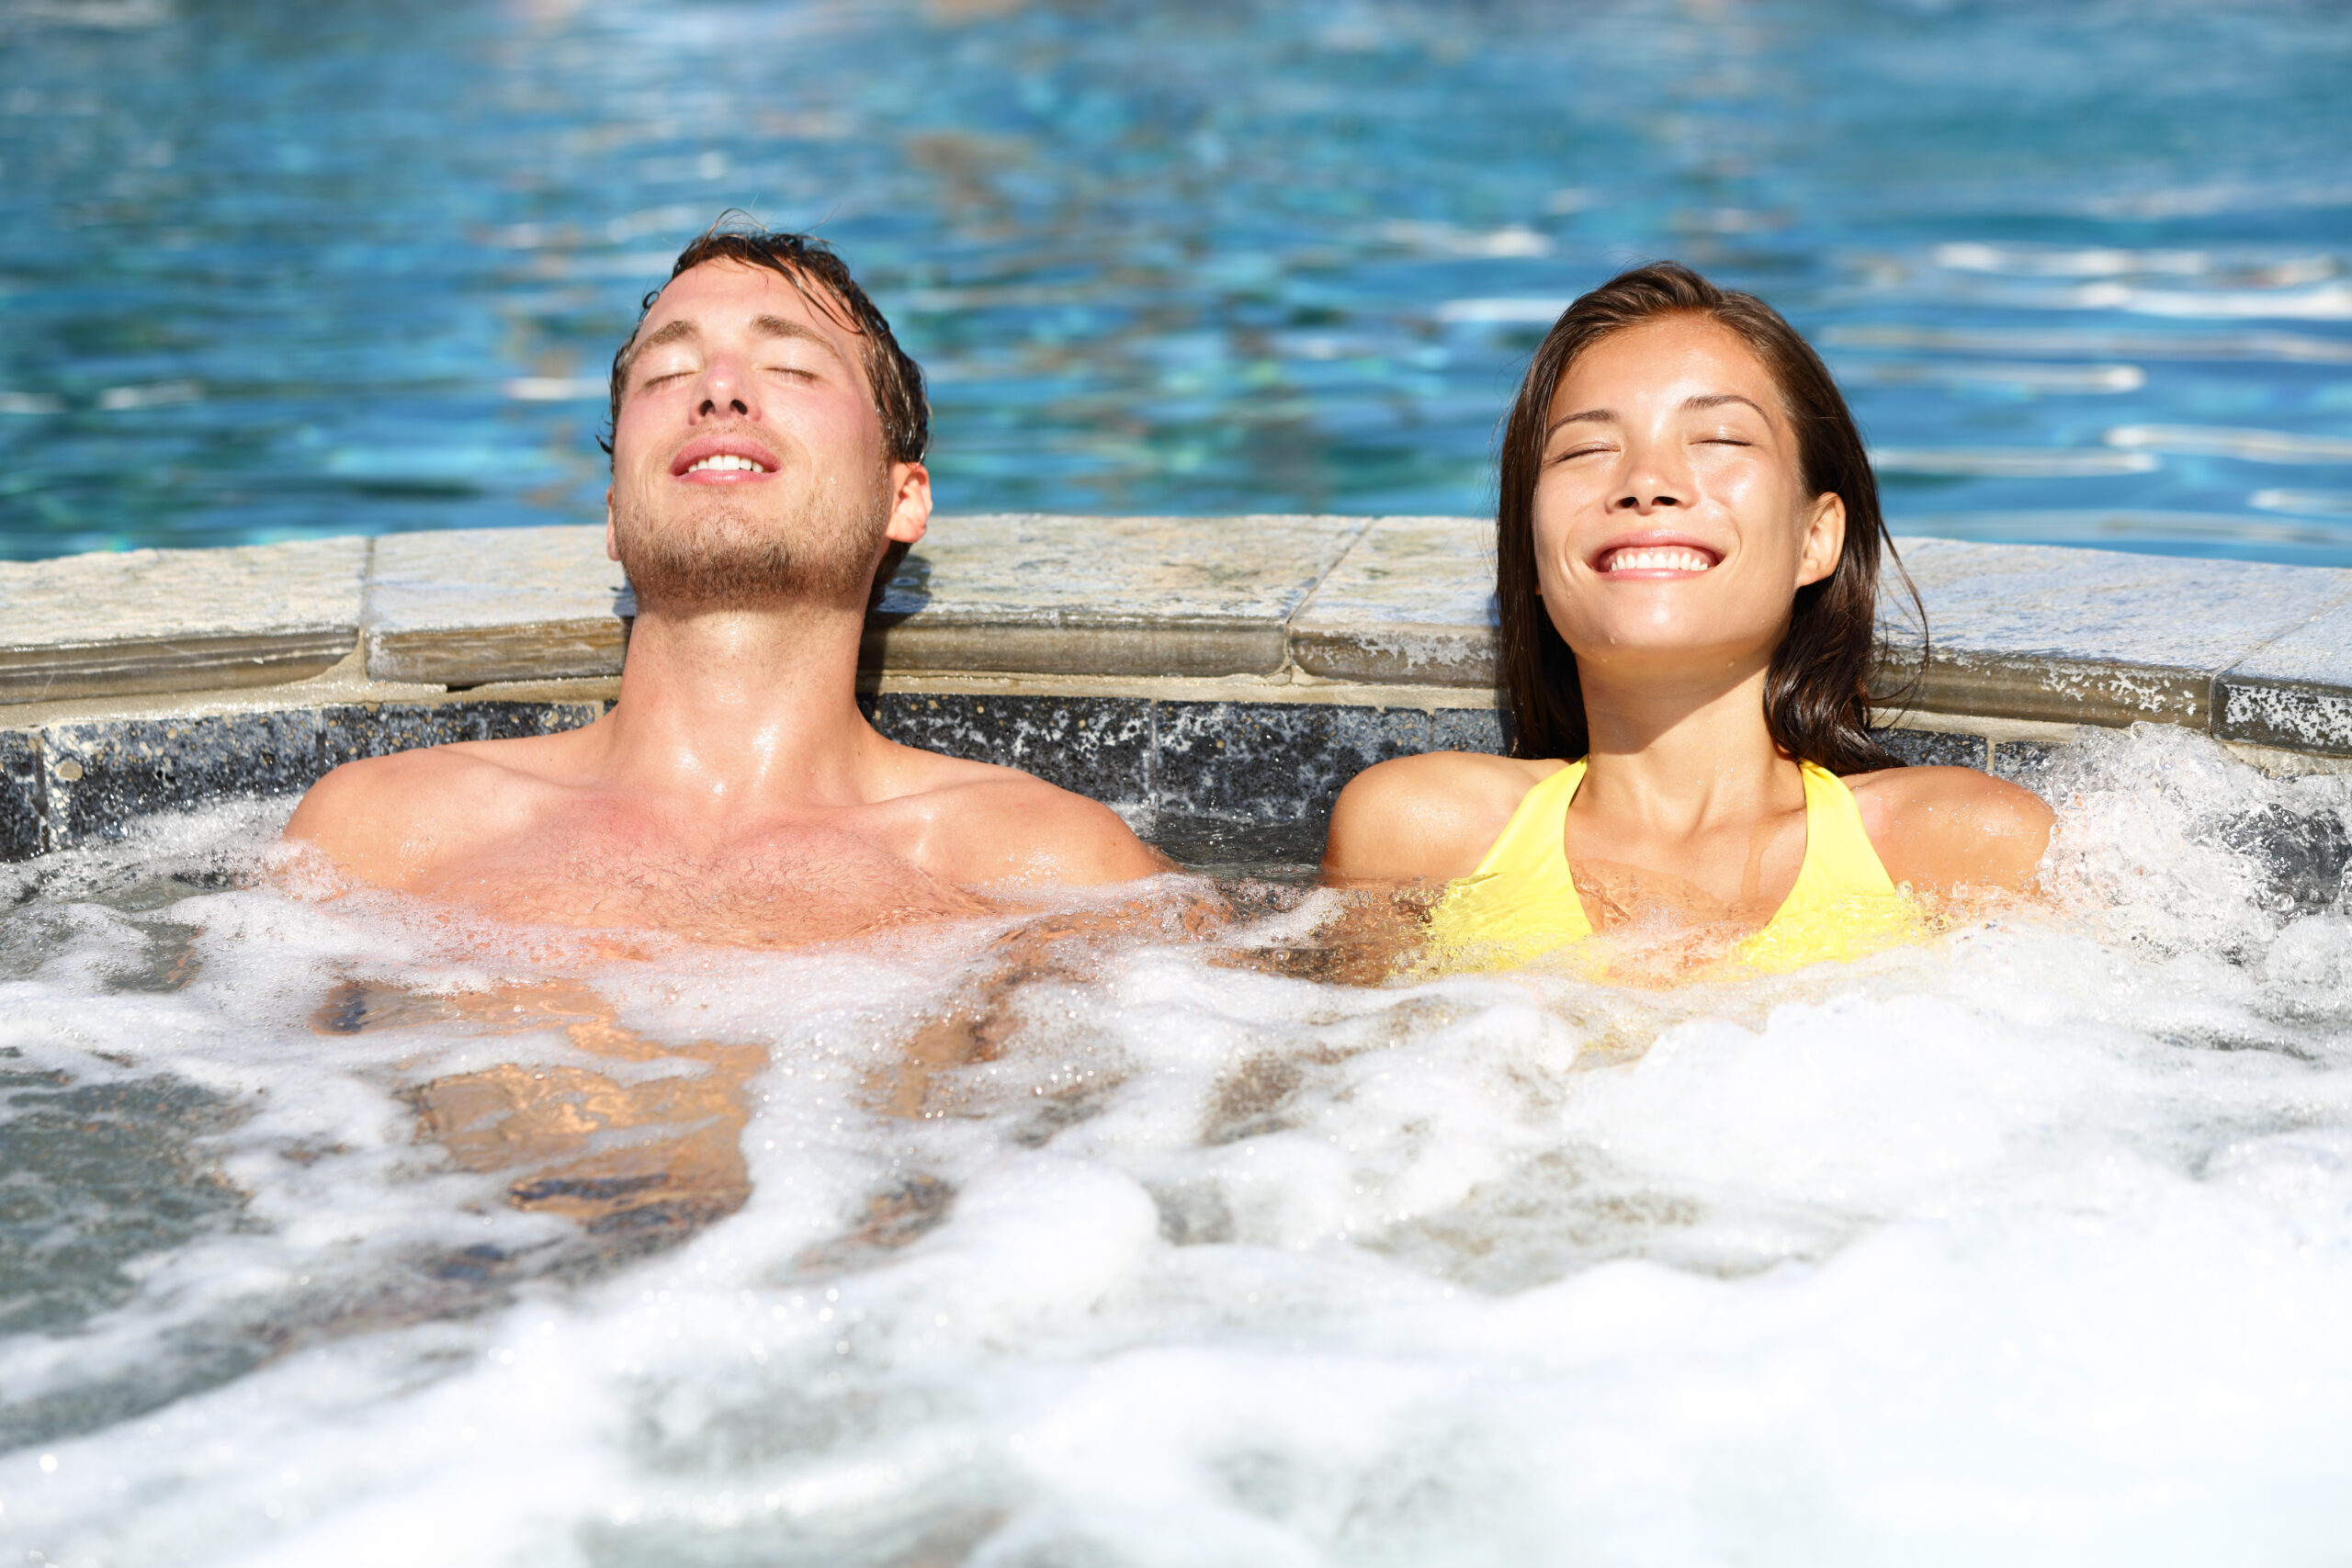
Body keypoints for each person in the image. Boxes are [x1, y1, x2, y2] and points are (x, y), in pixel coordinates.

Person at [287, 224, 1166, 944]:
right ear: (613, 513)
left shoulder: (1050, 866)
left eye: (790, 366)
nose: (718, 391)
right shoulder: (377, 835)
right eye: (669, 372)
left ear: (902, 497)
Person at [1321, 263, 2052, 978]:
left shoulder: (1969, 849)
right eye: (1586, 449)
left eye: (1719, 440)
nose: (1646, 483)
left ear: (1814, 538)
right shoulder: (1415, 836)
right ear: (1534, 559)